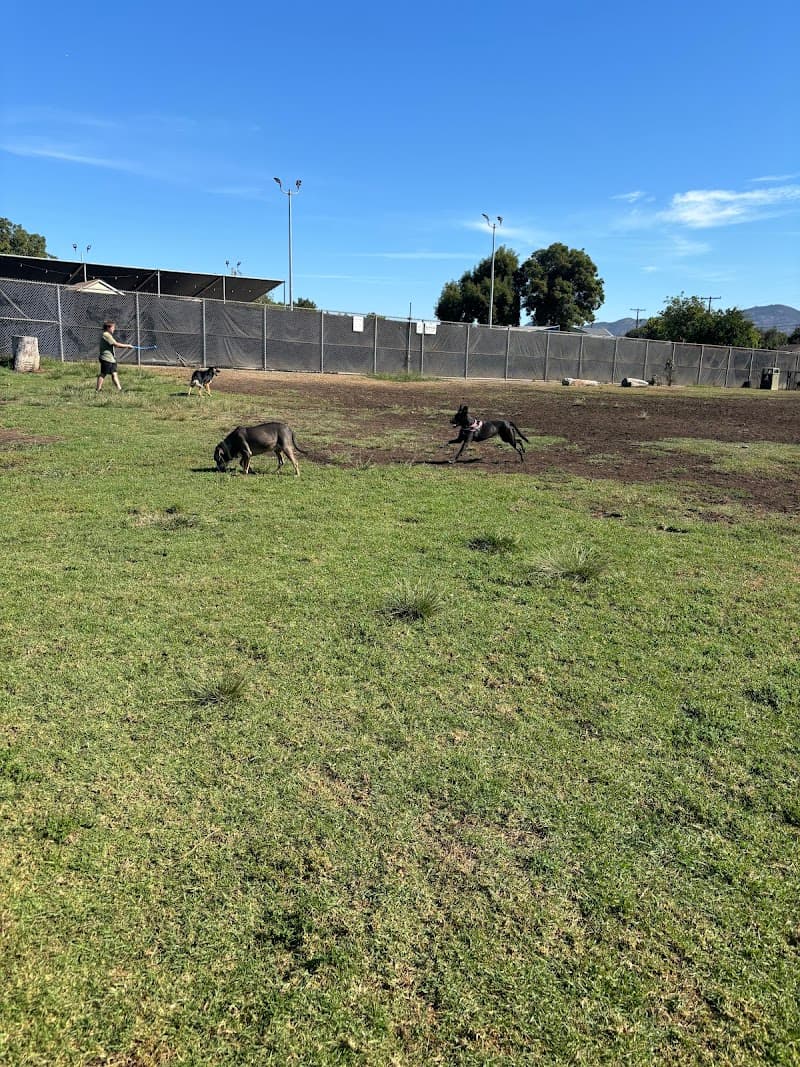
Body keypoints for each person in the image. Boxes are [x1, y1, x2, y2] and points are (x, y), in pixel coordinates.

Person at [96, 320, 133, 391]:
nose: (114, 329)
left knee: (114, 373)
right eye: (113, 327)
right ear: (108, 328)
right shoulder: (106, 335)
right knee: (103, 373)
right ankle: (98, 389)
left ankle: (120, 389)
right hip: (106, 358)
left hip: (112, 358)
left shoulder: (109, 335)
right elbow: (116, 344)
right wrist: (127, 346)